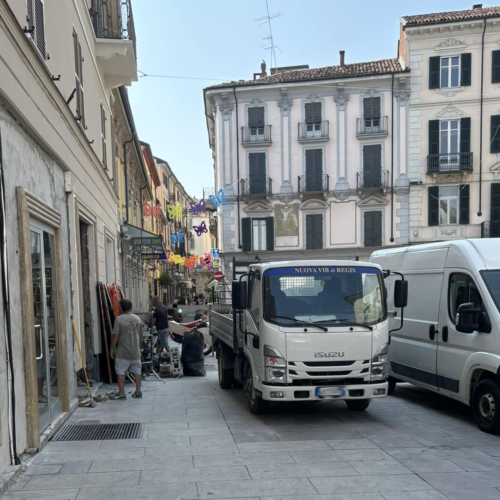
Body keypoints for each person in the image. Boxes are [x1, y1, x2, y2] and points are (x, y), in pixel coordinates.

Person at [110, 299, 143, 400]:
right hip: (135, 352)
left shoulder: (119, 319)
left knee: (120, 371)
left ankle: (121, 393)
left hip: (122, 352)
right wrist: (138, 346)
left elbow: (115, 335)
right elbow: (141, 335)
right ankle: (138, 392)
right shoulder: (137, 319)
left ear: (121, 308)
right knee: (137, 371)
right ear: (130, 307)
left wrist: (111, 349)